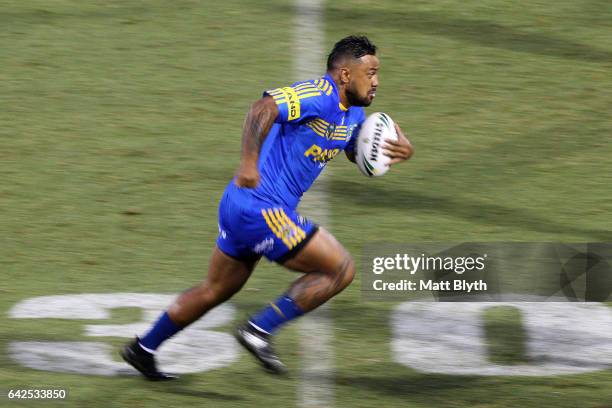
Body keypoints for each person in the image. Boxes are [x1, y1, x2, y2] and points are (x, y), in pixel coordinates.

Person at [121, 35, 414, 380]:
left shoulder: (354, 113)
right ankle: (257, 330)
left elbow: (352, 148)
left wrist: (392, 149)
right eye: (371, 73)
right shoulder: (317, 94)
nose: (377, 81)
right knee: (340, 269)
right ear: (346, 75)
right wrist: (248, 162)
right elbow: (262, 108)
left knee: (216, 289)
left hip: (241, 205)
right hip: (261, 206)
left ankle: (143, 349)